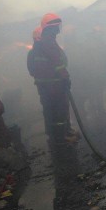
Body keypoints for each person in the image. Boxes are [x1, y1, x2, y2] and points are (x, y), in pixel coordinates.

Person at [28, 13, 79, 145]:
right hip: (53, 86)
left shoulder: (49, 40)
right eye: (55, 27)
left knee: (57, 109)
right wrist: (64, 76)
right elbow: (56, 62)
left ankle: (63, 132)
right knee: (57, 111)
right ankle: (60, 136)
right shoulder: (47, 41)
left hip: (54, 84)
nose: (57, 30)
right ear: (49, 28)